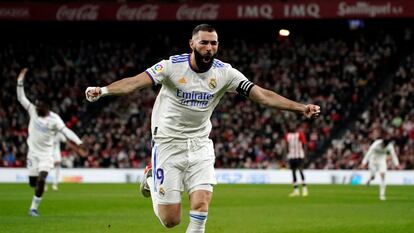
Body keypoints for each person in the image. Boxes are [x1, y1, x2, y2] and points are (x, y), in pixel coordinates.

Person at [85, 24, 320, 232]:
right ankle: (150, 179)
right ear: (192, 43)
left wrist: (300, 108)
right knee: (171, 221)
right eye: (204, 42)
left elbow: (262, 95)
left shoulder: (225, 73)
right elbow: (134, 83)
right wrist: (103, 90)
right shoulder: (171, 67)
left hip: (200, 145)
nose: (209, 47)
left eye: (214, 43)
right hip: (168, 144)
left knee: (201, 204)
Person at [16, 68, 86, 216]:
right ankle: (37, 191)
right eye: (36, 104)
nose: (36, 107)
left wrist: (78, 142)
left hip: (46, 155)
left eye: (39, 105)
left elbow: (65, 131)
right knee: (33, 183)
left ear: (46, 107)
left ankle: (33, 208)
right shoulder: (32, 110)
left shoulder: (54, 119)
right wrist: (20, 81)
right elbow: (21, 98)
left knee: (41, 179)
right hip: (32, 153)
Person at [361, 133, 400, 201]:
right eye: (383, 145)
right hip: (373, 160)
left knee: (383, 175)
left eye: (385, 146)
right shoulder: (376, 144)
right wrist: (364, 162)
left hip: (382, 161)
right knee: (373, 176)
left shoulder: (389, 146)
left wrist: (397, 164)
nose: (384, 147)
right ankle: (370, 179)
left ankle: (382, 195)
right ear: (382, 142)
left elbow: (393, 155)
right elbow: (369, 153)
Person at [285, 124, 308, 197]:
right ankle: (296, 190)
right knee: (293, 172)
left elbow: (304, 144)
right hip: (292, 156)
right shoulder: (288, 135)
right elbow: (287, 145)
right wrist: (287, 154)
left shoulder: (300, 134)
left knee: (300, 170)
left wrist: (304, 154)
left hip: (299, 155)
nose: (292, 127)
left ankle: (304, 189)